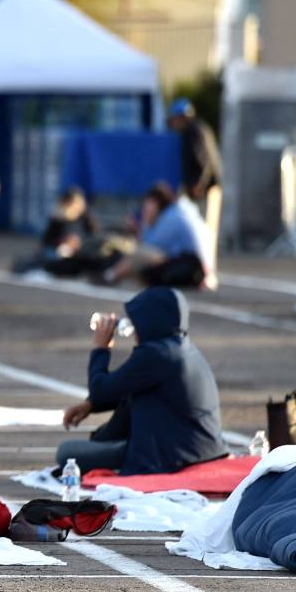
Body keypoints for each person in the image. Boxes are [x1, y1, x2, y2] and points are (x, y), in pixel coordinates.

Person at [58, 286, 227, 475]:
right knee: (98, 441)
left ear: (149, 321)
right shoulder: (181, 347)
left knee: (67, 453)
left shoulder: (156, 354)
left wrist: (101, 348)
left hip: (172, 455)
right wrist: (91, 405)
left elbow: (99, 389)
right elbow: (122, 387)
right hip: (204, 450)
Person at [103, 182, 209, 290]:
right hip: (193, 266)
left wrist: (143, 224)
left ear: (155, 203)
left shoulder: (172, 217)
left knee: (140, 254)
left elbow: (149, 245)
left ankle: (109, 276)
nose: (145, 209)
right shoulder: (176, 212)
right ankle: (113, 276)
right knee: (142, 261)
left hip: (192, 268)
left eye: (147, 205)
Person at [167, 97, 222, 280]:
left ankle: (207, 272)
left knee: (204, 231)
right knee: (201, 231)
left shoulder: (195, 131)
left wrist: (199, 184)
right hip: (202, 187)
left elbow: (204, 161)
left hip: (206, 188)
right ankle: (204, 270)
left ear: (182, 117)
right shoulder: (192, 131)